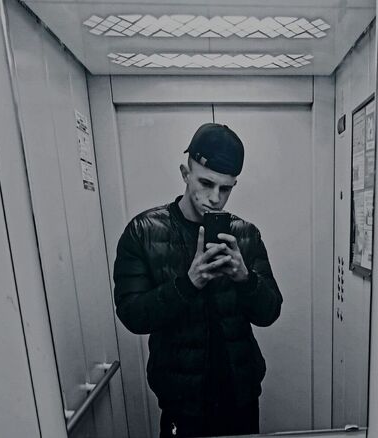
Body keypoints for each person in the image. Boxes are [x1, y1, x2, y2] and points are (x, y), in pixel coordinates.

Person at [113, 123, 283, 438]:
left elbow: (270, 312)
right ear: (185, 173)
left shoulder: (245, 234)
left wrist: (245, 279)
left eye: (226, 188)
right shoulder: (142, 232)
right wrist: (188, 284)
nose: (215, 198)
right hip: (181, 403)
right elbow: (132, 315)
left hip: (241, 396)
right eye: (206, 183)